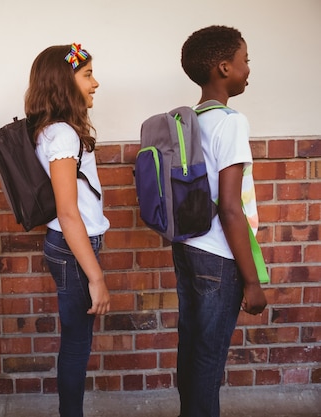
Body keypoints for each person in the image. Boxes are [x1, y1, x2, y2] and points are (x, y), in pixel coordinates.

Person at [175, 26, 268, 417]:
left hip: (188, 249)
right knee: (209, 364)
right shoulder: (230, 122)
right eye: (245, 60)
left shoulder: (188, 119)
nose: (249, 68)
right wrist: (252, 282)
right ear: (224, 67)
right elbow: (230, 208)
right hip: (219, 258)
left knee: (192, 352)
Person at [25, 43, 111, 417]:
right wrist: (96, 277)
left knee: (75, 339)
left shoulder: (51, 130)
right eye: (87, 74)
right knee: (77, 343)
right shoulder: (63, 134)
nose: (95, 83)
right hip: (74, 246)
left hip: (68, 245)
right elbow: (68, 211)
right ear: (65, 80)